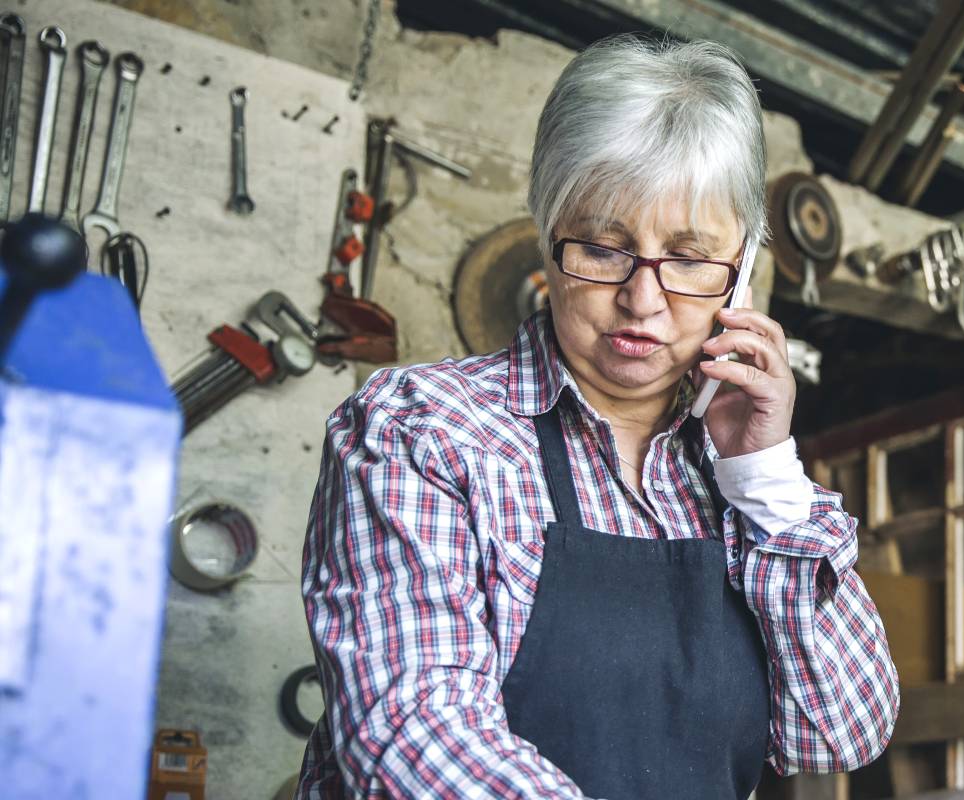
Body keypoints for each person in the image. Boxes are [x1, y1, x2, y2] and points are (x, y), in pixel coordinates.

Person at [296, 35, 898, 799]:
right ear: (547, 237)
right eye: (606, 248)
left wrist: (766, 478)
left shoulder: (728, 481)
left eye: (688, 259)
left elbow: (840, 731)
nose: (643, 301)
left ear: (740, 269)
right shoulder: (419, 431)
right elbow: (415, 728)